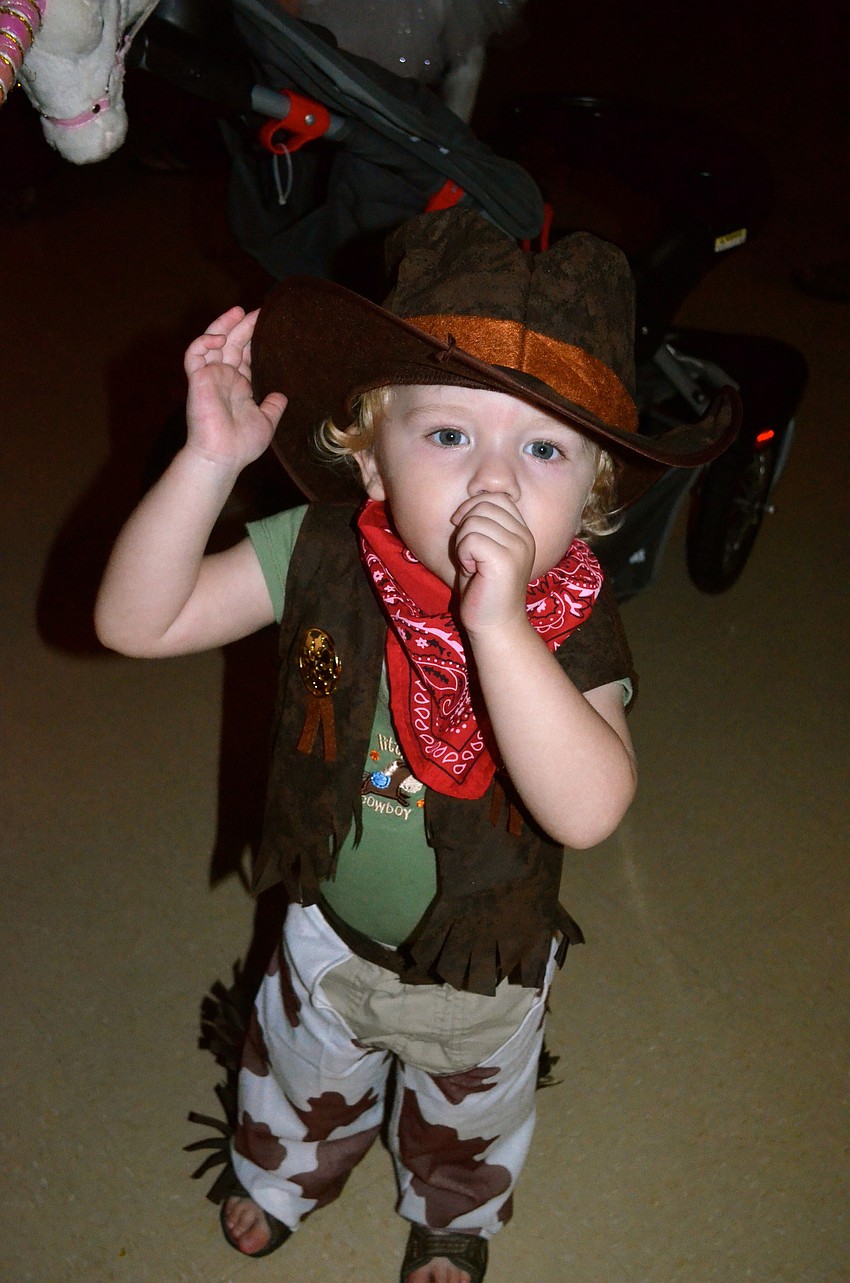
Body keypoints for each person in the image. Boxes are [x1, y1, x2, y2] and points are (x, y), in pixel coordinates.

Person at [95, 209, 737, 1283]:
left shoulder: (570, 621)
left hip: (481, 964)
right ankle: (284, 1168)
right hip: (327, 925)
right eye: (449, 434)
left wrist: (498, 628)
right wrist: (208, 465)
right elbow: (135, 621)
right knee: (294, 1073)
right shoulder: (317, 548)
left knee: (468, 1117)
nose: (495, 479)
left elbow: (585, 807)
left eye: (542, 449)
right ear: (367, 452)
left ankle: (452, 1211)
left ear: (590, 497)